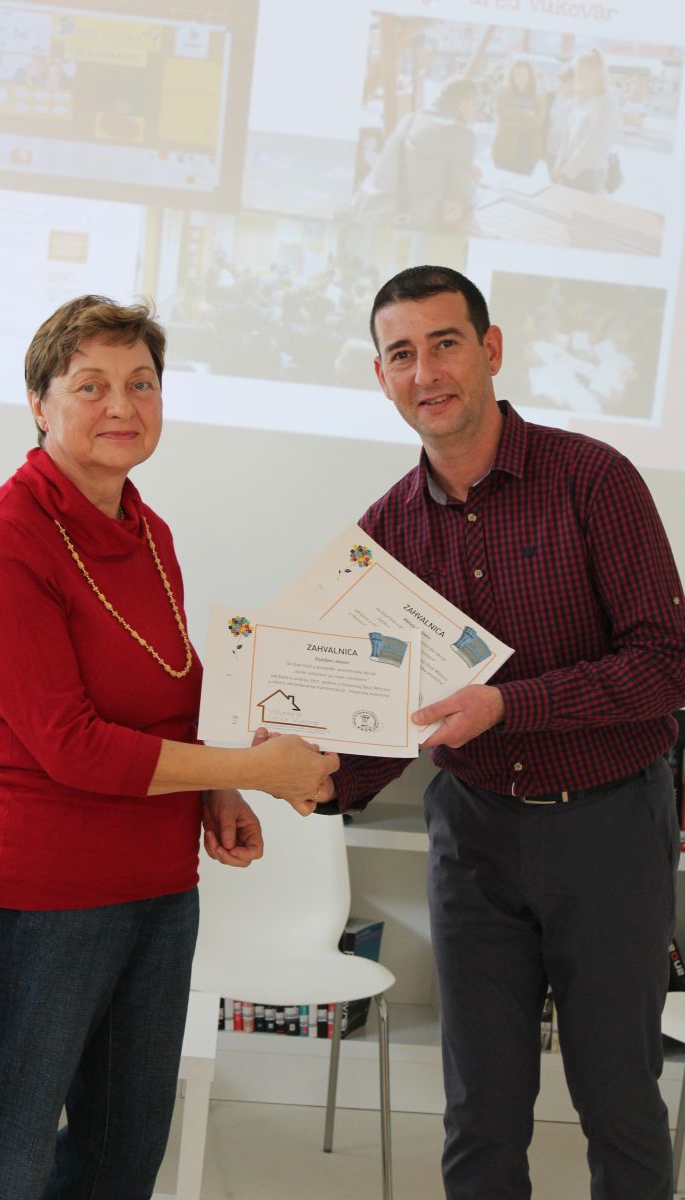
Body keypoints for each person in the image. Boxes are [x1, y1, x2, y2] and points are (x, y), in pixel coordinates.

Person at [0, 295, 338, 1200]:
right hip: (49, 901)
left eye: (142, 383)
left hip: (159, 888)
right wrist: (251, 769)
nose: (123, 405)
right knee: (3, 1160)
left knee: (121, 1161)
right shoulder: (2, 541)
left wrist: (214, 791)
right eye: (92, 386)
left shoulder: (150, 533)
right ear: (39, 403)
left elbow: (166, 691)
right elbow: (71, 746)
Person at [316, 265, 685, 1198]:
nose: (426, 372)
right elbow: (376, 716)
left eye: (444, 344)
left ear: (490, 350)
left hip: (609, 829)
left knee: (619, 1099)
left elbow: (665, 663)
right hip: (473, 835)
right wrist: (299, 773)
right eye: (402, 354)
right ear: (381, 376)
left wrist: (510, 704)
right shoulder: (383, 535)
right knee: (479, 1112)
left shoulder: (593, 478)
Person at [350, 78, 479, 233]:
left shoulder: (409, 119)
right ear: (466, 102)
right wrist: (471, 181)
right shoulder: (461, 133)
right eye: (475, 106)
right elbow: (455, 204)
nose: (474, 114)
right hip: (399, 228)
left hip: (364, 212)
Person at [553, 48, 622, 193]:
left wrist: (566, 173)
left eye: (587, 72)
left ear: (598, 74)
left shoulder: (607, 99)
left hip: (589, 171)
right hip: (568, 167)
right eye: (579, 71)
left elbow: (591, 142)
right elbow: (567, 136)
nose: (581, 76)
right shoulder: (580, 97)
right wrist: (558, 165)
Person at [491, 59, 545, 175]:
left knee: (522, 181)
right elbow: (502, 114)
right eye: (517, 74)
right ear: (512, 76)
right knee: (503, 180)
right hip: (505, 146)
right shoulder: (504, 92)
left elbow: (538, 121)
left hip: (528, 147)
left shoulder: (538, 95)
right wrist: (525, 114)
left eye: (523, 74)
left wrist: (514, 118)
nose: (520, 77)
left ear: (530, 75)